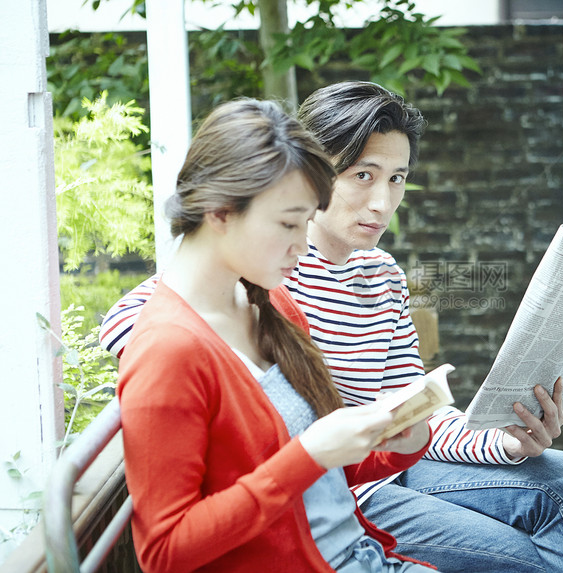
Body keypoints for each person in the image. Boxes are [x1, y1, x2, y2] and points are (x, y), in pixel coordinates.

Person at [102, 83, 563, 572]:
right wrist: (232, 371)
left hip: (374, 465)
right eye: (363, 176)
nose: (383, 202)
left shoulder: (377, 275)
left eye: (397, 179)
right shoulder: (260, 275)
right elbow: (137, 322)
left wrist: (503, 442)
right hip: (346, 488)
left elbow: (410, 407)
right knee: (527, 559)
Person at [115, 98, 437, 572]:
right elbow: (165, 552)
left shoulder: (269, 304)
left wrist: (397, 444)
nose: (302, 244)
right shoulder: (169, 350)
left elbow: (325, 472)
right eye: (289, 223)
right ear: (219, 211)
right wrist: (306, 455)